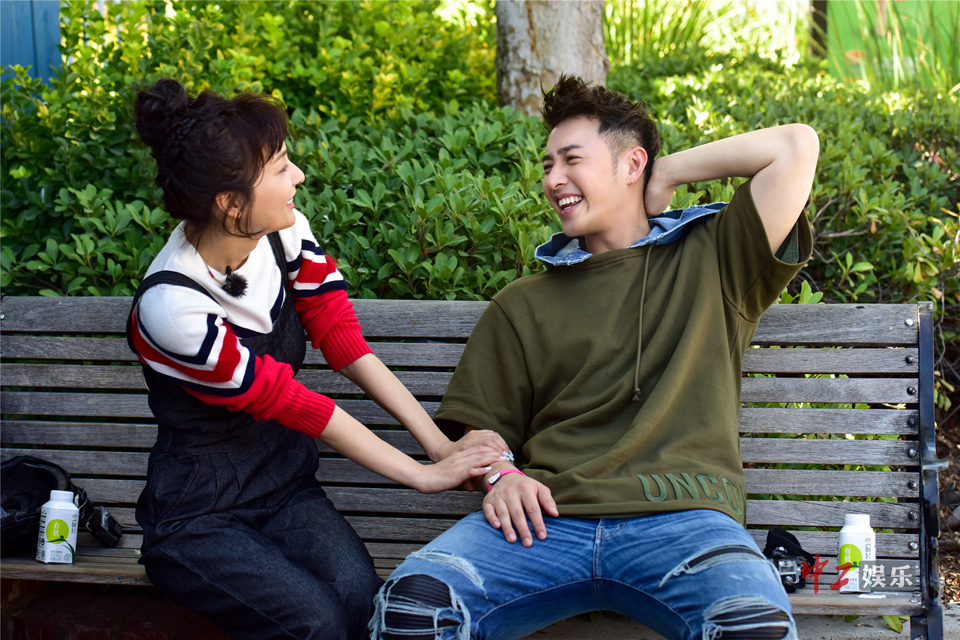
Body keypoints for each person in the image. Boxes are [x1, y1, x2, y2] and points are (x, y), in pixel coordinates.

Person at [370, 75, 817, 640]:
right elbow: (479, 435)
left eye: (572, 159)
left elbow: (795, 146)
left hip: (684, 523)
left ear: (632, 165)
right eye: (547, 165)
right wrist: (502, 475)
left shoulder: (716, 259)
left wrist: (666, 172)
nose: (553, 179)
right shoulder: (522, 303)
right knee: (411, 610)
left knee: (753, 626)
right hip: (543, 524)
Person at [126, 78, 506, 640]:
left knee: (359, 599)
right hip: (198, 515)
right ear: (230, 203)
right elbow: (292, 403)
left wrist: (438, 445)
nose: (298, 176)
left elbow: (342, 341)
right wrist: (423, 478)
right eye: (281, 168)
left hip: (284, 490)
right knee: (316, 622)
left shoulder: (284, 235)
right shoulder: (172, 306)